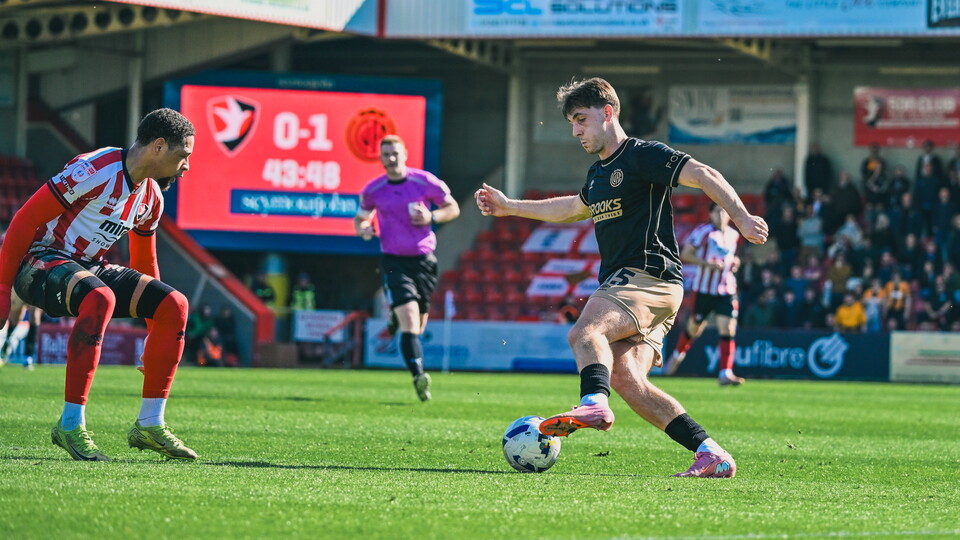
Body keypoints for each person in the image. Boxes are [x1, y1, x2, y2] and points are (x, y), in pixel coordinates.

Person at [474, 78, 767, 478]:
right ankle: (711, 453)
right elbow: (570, 209)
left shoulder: (642, 154)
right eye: (571, 123)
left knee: (584, 333)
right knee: (629, 381)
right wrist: (510, 207)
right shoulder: (598, 174)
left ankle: (594, 402)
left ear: (607, 112)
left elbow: (703, 172)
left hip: (646, 276)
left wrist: (742, 217)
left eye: (581, 119)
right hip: (656, 290)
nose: (576, 131)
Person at [0, 108, 198, 461]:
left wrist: (155, 330)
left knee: (175, 305)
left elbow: (143, 265)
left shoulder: (151, 197)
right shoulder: (96, 168)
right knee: (100, 296)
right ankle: (70, 424)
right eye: (183, 156)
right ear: (157, 147)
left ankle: (150, 424)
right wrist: (2, 290)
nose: (186, 167)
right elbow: (25, 218)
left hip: (87, 267)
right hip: (39, 261)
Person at [354, 134, 460, 402]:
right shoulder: (373, 189)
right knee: (410, 320)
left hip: (424, 261)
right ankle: (418, 374)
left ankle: (395, 320)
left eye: (395, 154)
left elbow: (452, 208)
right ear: (380, 158)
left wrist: (432, 216)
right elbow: (361, 217)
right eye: (385, 154)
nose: (390, 159)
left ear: (404, 154)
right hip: (393, 261)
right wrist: (363, 228)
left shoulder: (423, 181)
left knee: (418, 325)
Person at [662, 204, 745, 386]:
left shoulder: (733, 235)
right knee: (695, 328)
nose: (722, 215)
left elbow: (733, 257)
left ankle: (725, 372)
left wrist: (735, 262)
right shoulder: (703, 232)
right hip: (705, 289)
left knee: (728, 329)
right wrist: (706, 264)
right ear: (711, 214)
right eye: (717, 212)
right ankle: (677, 355)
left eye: (724, 211)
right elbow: (686, 254)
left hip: (727, 289)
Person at [0, 290, 41, 369]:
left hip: (36, 282)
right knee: (16, 317)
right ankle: (7, 343)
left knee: (34, 316)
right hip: (20, 281)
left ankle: (28, 357)